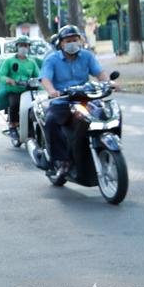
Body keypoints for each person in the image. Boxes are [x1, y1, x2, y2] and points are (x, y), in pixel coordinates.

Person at [40, 25, 113, 178]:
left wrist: (109, 83)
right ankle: (62, 161)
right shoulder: (52, 59)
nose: (72, 43)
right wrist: (52, 91)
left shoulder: (87, 56)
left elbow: (99, 73)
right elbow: (45, 78)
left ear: (80, 40)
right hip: (63, 101)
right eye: (68, 40)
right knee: (51, 121)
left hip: (86, 99)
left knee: (106, 115)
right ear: (61, 43)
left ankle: (105, 145)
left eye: (75, 39)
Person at [0, 36, 40, 140]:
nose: (23, 48)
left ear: (28, 47)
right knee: (14, 104)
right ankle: (12, 126)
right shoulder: (9, 61)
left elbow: (38, 76)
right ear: (17, 47)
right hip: (14, 90)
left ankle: (31, 130)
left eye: (25, 45)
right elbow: (1, 74)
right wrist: (9, 80)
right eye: (21, 45)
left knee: (34, 108)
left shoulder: (31, 62)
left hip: (28, 91)